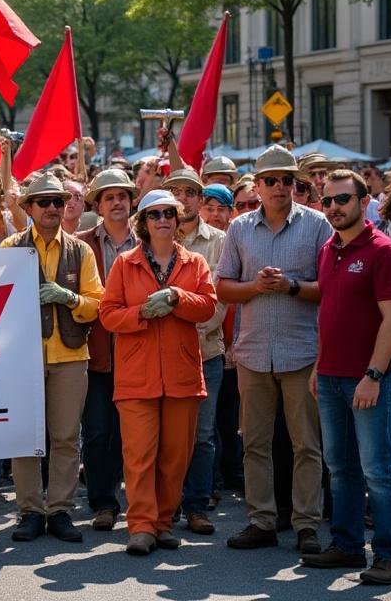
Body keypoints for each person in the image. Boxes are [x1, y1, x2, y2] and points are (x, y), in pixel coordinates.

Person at [217, 145, 333, 555]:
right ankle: (262, 520)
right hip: (253, 352)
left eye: (288, 180)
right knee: (255, 443)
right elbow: (222, 286)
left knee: (306, 445)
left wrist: (292, 286)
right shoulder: (239, 228)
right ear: (257, 185)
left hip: (302, 352)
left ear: (297, 184)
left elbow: (331, 290)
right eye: (271, 180)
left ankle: (306, 525)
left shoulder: (319, 225)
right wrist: (256, 287)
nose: (280, 187)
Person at [99, 190, 218, 556]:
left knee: (175, 456)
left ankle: (163, 522)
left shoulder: (195, 262)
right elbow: (107, 314)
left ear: (178, 218)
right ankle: (141, 526)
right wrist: (139, 315)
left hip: (181, 373)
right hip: (137, 374)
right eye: (155, 215)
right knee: (139, 455)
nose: (163, 219)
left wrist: (178, 298)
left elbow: (209, 306)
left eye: (169, 213)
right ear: (144, 222)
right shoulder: (124, 263)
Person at [301, 170, 391, 584]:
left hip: (369, 378)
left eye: (342, 200)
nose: (333, 208)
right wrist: (318, 366)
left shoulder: (384, 251)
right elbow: (329, 314)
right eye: (327, 201)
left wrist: (374, 375)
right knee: (339, 467)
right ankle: (345, 546)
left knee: (378, 470)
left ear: (364, 202)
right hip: (329, 377)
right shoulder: (328, 249)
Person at [1, 174, 103, 543]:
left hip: (71, 355)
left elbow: (98, 304)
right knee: (25, 437)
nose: (52, 208)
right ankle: (29, 510)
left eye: (58, 201)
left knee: (65, 437)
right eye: (43, 202)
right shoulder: (9, 247)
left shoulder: (81, 250)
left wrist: (69, 298)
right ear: (27, 208)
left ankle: (59, 510)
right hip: (23, 358)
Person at [164, 166, 228, 536]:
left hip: (205, 353)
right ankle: (168, 503)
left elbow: (217, 302)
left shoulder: (220, 240)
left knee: (202, 435)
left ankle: (197, 505)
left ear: (201, 201)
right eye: (177, 192)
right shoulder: (156, 237)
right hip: (165, 356)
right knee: (170, 434)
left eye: (190, 192)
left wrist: (186, 325)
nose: (183, 199)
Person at [76, 168, 138, 532]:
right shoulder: (80, 244)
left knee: (137, 435)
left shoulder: (148, 240)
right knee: (98, 433)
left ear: (131, 201)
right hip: (96, 353)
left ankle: (144, 504)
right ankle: (103, 503)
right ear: (97, 205)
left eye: (122, 196)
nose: (117, 202)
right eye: (109, 197)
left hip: (139, 353)